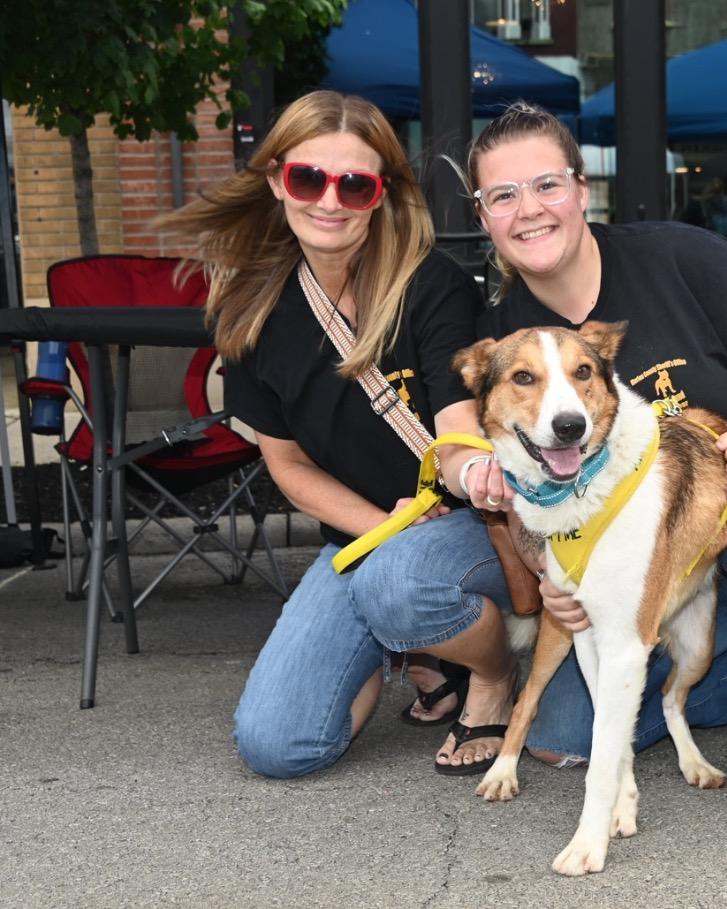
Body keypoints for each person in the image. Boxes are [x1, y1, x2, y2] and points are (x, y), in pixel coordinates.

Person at [353, 101, 727, 809]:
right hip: (646, 546)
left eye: (547, 185)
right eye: (503, 195)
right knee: (563, 735)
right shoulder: (506, 340)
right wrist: (548, 564)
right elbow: (509, 468)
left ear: (581, 188)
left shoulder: (682, 257)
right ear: (484, 216)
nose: (530, 210)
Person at [158, 91, 518, 779]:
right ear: (275, 180)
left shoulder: (433, 285)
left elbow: (457, 423)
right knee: (279, 744)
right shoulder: (250, 311)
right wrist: (384, 527)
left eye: (354, 184)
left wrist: (463, 470)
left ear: (380, 195)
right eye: (307, 178)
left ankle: (492, 673)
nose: (329, 201)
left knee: (400, 580)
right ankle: (413, 646)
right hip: (369, 533)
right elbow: (288, 467)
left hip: (475, 521)